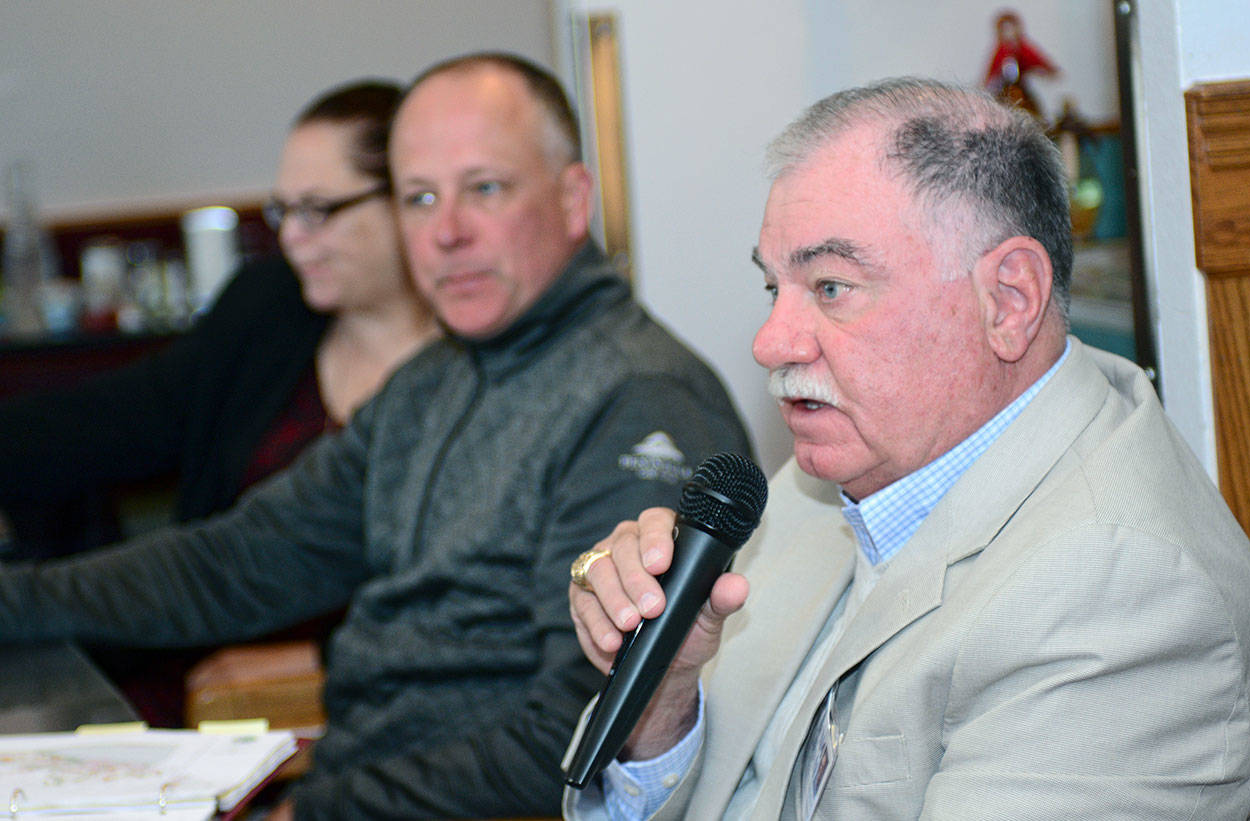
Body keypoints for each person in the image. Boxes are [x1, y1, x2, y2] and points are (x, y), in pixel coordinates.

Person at [0, 52, 751, 819]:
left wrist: (318, 812)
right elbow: (234, 561)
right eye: (420, 198)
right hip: (345, 785)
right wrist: (16, 602)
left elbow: (588, 729)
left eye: (485, 189)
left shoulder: (637, 398)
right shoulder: (432, 382)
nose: (447, 232)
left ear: (572, 197)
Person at [564, 77, 1250, 819]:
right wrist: (666, 696)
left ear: (1009, 300)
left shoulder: (1126, 594)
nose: (770, 341)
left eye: (832, 286)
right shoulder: (822, 483)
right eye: (773, 286)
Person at [0, 79, 438, 727]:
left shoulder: (467, 371)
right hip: (196, 661)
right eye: (283, 210)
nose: (294, 238)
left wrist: (321, 659)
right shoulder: (270, 308)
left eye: (320, 210)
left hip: (369, 702)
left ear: (409, 202)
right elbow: (106, 423)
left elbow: (476, 603)